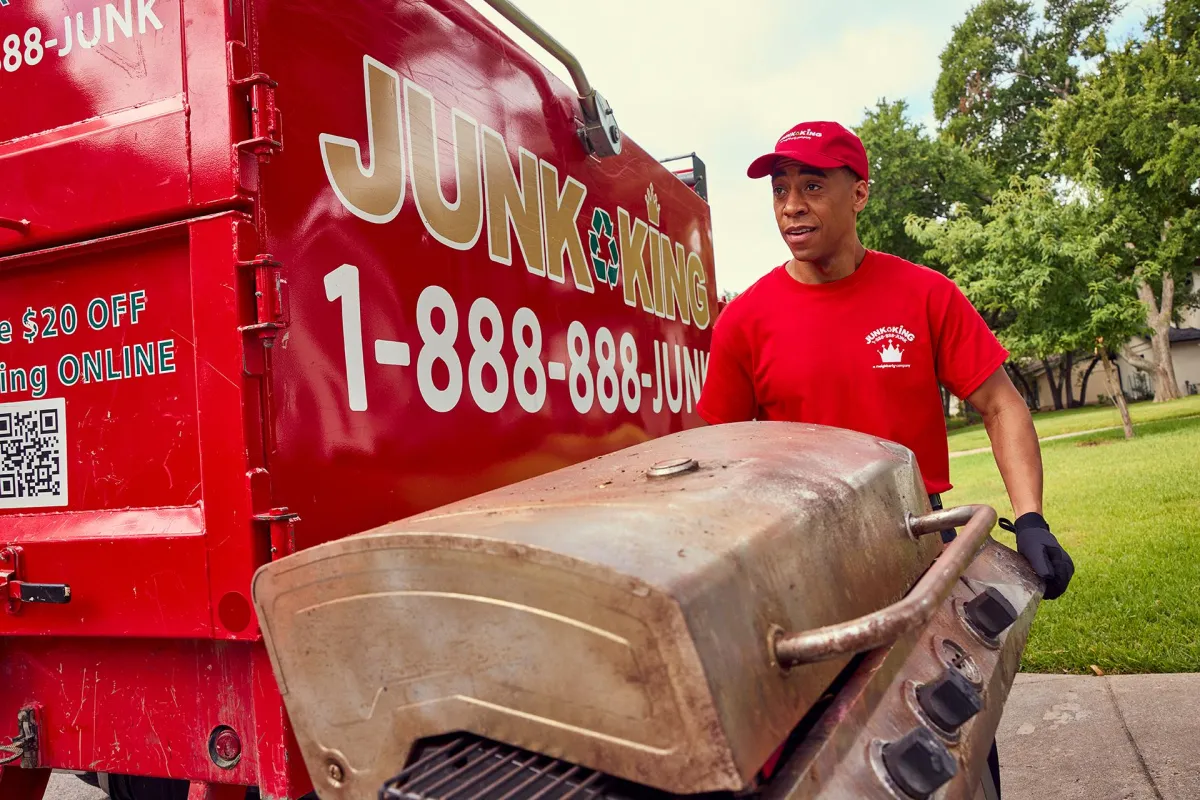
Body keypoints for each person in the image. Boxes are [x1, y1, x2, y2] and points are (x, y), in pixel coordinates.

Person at [696, 120, 1074, 797]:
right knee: (826, 758)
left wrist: (1033, 519)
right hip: (800, 572)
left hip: (919, 552)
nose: (791, 206)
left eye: (812, 186)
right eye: (780, 190)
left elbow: (1001, 404)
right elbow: (714, 461)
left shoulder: (923, 294)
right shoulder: (745, 321)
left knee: (950, 739)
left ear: (860, 193)